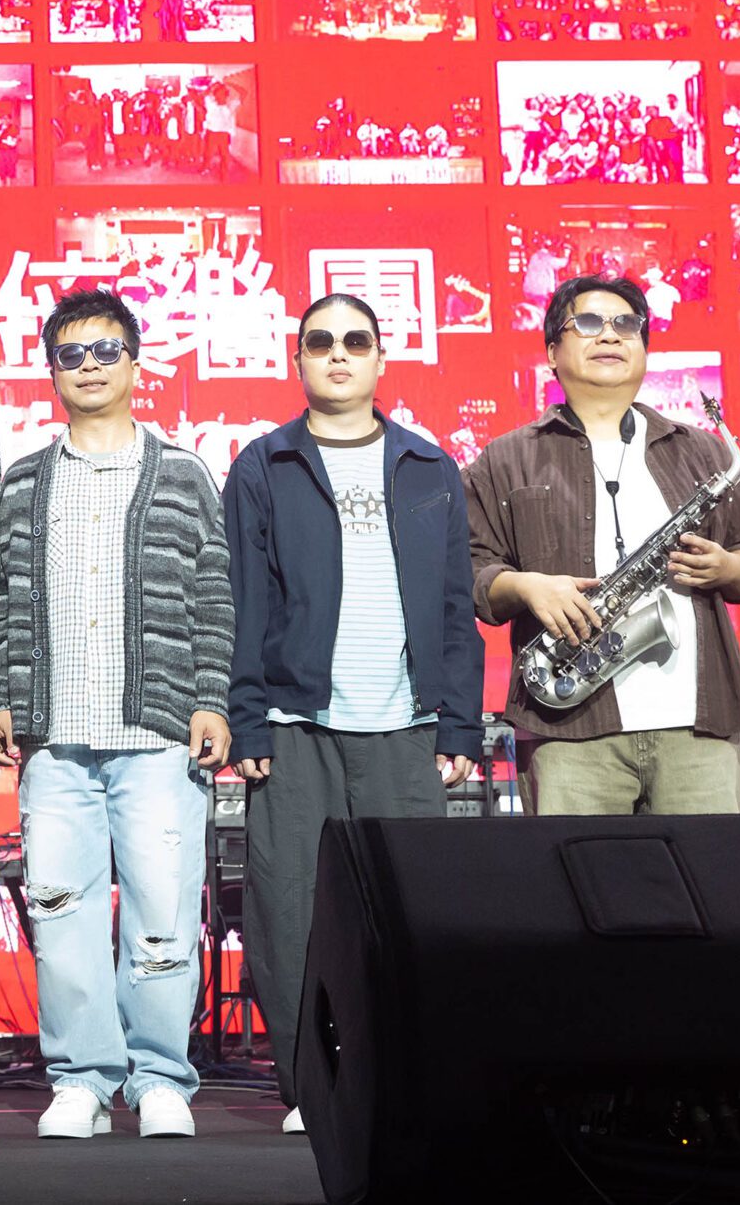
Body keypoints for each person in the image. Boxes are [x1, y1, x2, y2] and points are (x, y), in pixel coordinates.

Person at [224, 293, 483, 1134]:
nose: (338, 353)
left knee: (412, 912)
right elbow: (244, 601)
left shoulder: (430, 466)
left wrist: (459, 721)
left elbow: (455, 605)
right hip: (295, 726)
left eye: (355, 340)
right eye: (320, 341)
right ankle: (314, 1086)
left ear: (380, 359)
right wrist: (247, 717)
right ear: (298, 359)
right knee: (290, 911)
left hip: (407, 724)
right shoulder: (264, 465)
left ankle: (404, 1078)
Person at [0, 289, 233, 1140]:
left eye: (105, 349)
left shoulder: (184, 472)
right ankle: (81, 1077)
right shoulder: (24, 481)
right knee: (61, 915)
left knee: (163, 914)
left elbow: (214, 594)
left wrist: (210, 697)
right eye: (71, 353)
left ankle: (160, 1076)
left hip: (158, 736)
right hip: (55, 739)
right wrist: (1, 695)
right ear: (51, 370)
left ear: (135, 361)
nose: (88, 365)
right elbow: (3, 602)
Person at [465, 274, 740, 815]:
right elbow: (471, 571)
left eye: (626, 325)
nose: (610, 335)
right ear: (552, 352)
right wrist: (527, 586)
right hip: (568, 728)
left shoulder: (705, 452)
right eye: (588, 323)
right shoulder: (505, 458)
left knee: (706, 872)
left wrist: (729, 566)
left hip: (699, 725)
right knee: (576, 872)